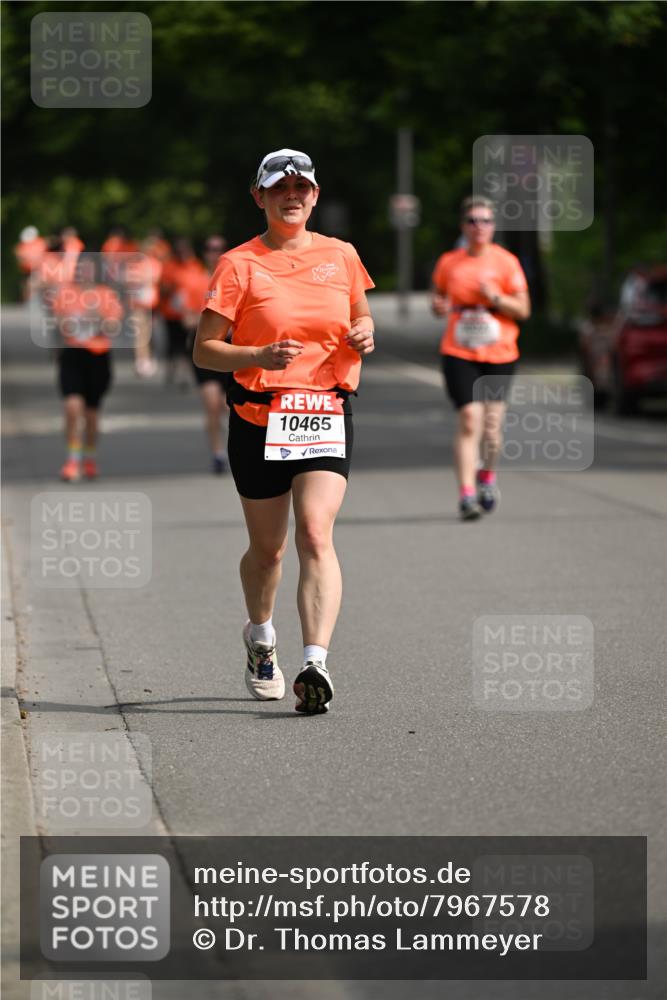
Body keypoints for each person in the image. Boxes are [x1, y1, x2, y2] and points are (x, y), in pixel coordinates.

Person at [193, 149, 374, 714]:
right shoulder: (238, 264)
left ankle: (315, 662)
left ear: (315, 195)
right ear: (260, 197)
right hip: (258, 418)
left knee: (316, 534)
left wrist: (365, 333)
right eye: (279, 189)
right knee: (268, 551)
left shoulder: (340, 256)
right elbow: (204, 350)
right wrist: (259, 353)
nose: (291, 196)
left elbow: (360, 314)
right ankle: (260, 636)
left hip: (323, 413)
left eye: (301, 188)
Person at [432, 196, 530, 520]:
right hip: (459, 350)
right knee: (469, 419)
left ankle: (487, 475)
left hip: (500, 351)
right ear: (464, 226)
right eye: (473, 221)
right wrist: (439, 307)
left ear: (494, 226)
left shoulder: (506, 262)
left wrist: (497, 297)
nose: (479, 226)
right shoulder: (450, 262)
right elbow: (438, 299)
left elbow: (524, 310)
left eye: (486, 220)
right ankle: (466, 495)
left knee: (491, 426)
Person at [50, 252, 123, 481]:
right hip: (73, 355)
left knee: (91, 414)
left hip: (98, 357)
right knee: (72, 407)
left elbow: (113, 327)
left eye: (89, 269)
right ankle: (72, 460)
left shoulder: (106, 295)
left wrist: (96, 317)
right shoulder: (66, 294)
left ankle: (89, 458)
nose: (84, 273)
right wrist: (74, 322)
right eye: (81, 269)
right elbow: (62, 325)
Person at [186, 235, 230, 473]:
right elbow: (184, 315)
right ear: (204, 252)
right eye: (210, 249)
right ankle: (217, 453)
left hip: (232, 347)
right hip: (204, 346)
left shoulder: (235, 278)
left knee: (230, 405)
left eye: (220, 248)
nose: (215, 253)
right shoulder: (194, 280)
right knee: (212, 403)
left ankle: (240, 448)